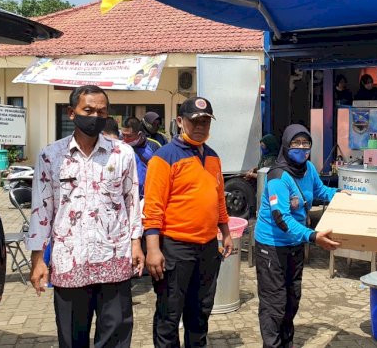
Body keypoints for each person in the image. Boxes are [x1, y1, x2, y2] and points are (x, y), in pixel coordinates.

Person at [26, 85, 144, 348]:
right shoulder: (51, 156)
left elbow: (131, 201)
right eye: (88, 110)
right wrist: (37, 259)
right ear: (71, 113)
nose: (95, 116)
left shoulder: (122, 153)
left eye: (102, 111)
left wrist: (136, 242)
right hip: (70, 262)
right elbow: (41, 211)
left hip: (114, 260)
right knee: (71, 339)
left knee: (115, 338)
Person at [143, 96, 233, 347]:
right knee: (169, 316)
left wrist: (225, 232)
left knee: (200, 312)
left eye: (206, 121)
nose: (201, 126)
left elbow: (219, 199)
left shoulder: (213, 157)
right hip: (175, 248)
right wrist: (152, 249)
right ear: (180, 122)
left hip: (206, 248)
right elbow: (153, 208)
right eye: (195, 121)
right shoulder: (164, 157)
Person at [255, 124, 342, 348]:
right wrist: (313, 236)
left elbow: (321, 191)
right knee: (275, 303)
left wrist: (343, 195)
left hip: (295, 246)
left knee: (292, 299)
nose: (302, 148)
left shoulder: (309, 168)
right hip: (271, 247)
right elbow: (281, 219)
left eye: (306, 144)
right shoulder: (277, 177)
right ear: (286, 144)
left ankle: (287, 343)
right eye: (296, 143)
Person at [121, 116, 161, 198]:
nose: (124, 139)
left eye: (128, 136)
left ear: (139, 134)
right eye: (123, 135)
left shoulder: (154, 146)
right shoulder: (120, 145)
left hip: (147, 196)